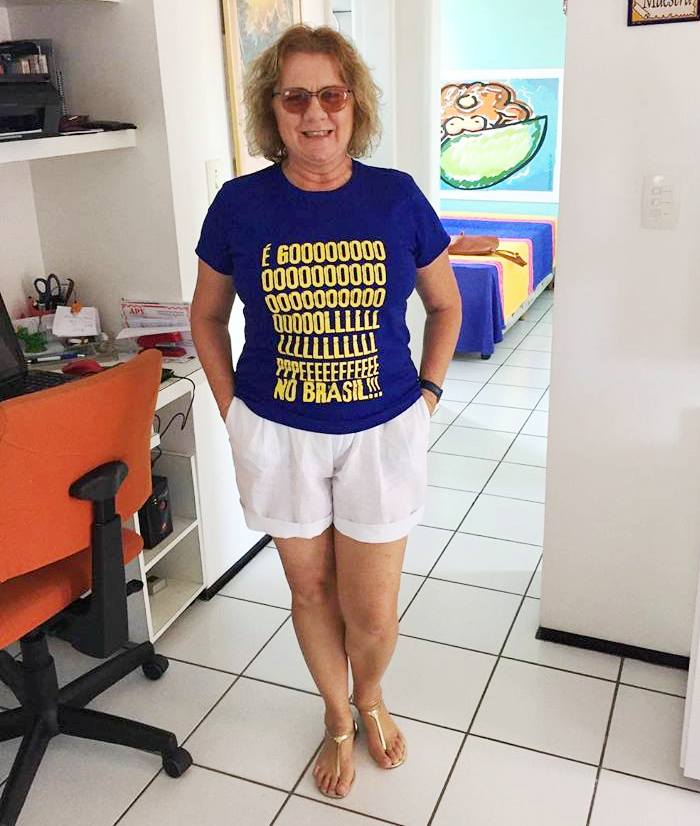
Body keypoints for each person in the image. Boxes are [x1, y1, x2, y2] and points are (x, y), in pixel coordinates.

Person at [191, 24, 461, 800]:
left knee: (370, 611)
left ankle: (370, 694)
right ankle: (338, 715)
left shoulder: (397, 197)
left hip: (383, 431)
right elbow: (206, 316)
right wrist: (233, 411)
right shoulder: (240, 205)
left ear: (355, 104)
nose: (316, 113)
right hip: (278, 434)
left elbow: (445, 306)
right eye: (295, 97)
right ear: (271, 109)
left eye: (332, 94)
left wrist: (429, 397)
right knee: (309, 591)